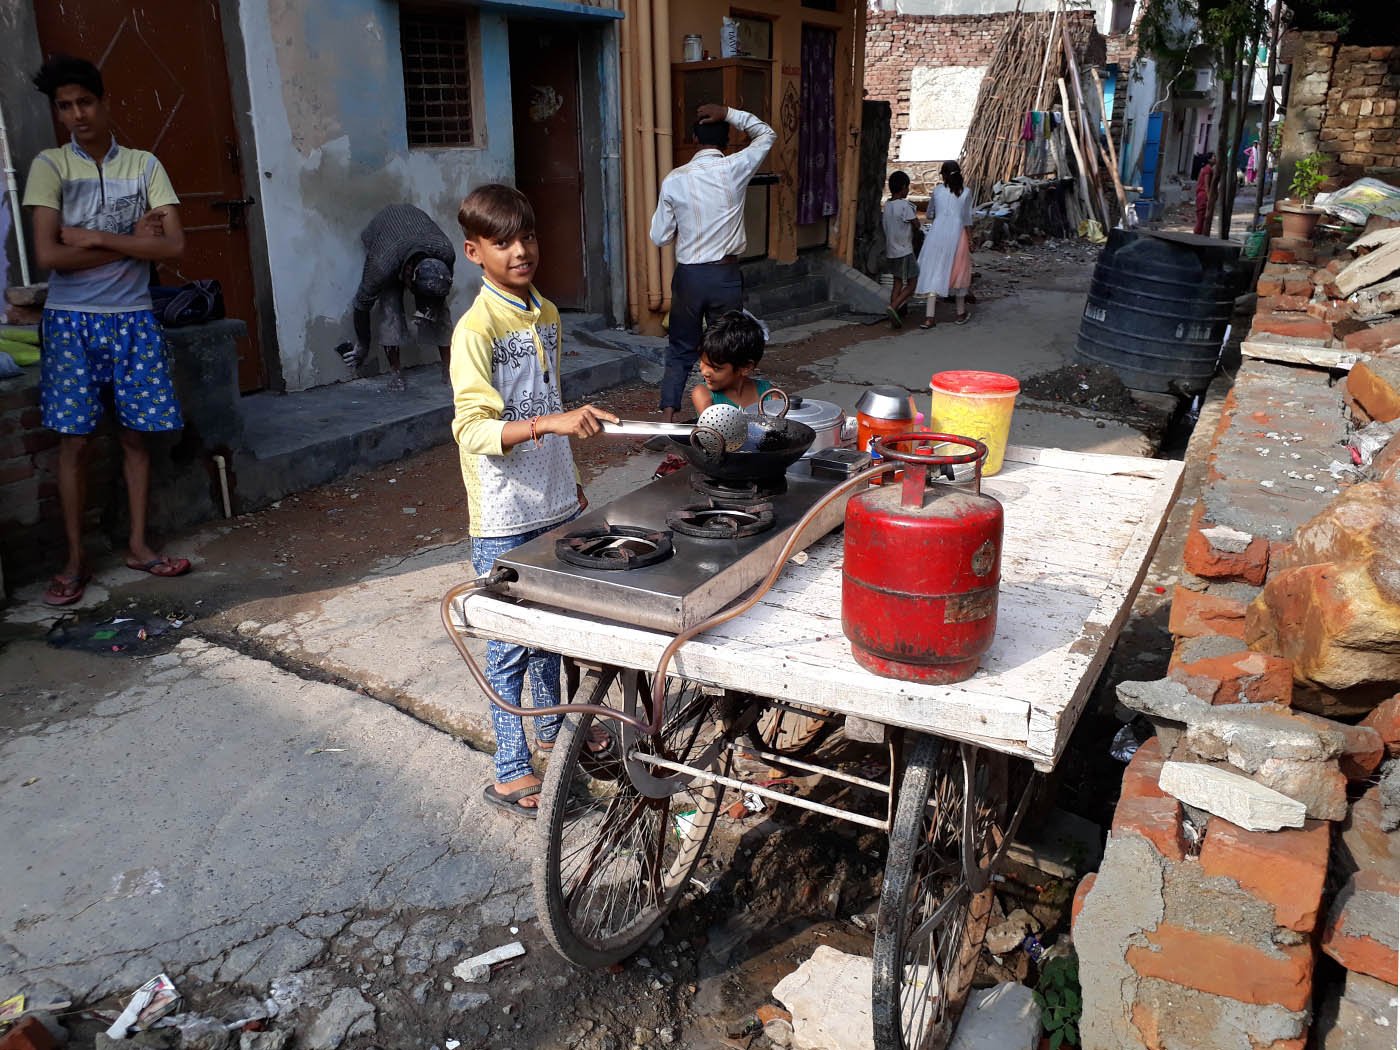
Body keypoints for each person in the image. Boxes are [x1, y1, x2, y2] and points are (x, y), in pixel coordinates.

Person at [450, 183, 619, 817]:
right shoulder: (476, 329)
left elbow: (547, 402)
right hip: (503, 513)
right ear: (475, 251)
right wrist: (552, 425)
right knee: (510, 642)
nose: (521, 251)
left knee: (551, 632)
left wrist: (568, 475)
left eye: (528, 237)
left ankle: (552, 733)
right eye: (503, 243)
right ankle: (510, 767)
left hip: (554, 500)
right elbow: (473, 430)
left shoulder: (545, 314)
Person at [24, 55, 191, 607]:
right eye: (65, 106)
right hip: (71, 323)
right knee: (73, 443)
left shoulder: (144, 166)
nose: (77, 115)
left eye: (85, 102)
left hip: (134, 319)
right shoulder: (50, 166)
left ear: (105, 101)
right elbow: (48, 254)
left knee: (135, 436)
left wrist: (92, 239)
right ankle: (75, 561)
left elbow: (171, 246)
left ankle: (139, 546)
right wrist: (129, 241)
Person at [650, 102, 775, 423]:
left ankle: (667, 418)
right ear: (728, 140)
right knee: (729, 346)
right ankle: (731, 415)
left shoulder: (675, 179)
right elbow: (766, 134)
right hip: (725, 275)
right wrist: (730, 113)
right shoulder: (736, 166)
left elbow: (660, 236)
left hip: (689, 277)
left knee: (680, 347)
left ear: (694, 139)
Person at [341, 203, 455, 391]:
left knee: (440, 311)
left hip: (417, 235)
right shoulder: (382, 265)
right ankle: (396, 374)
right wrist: (363, 344)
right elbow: (361, 305)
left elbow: (441, 291)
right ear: (409, 278)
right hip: (385, 235)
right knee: (390, 308)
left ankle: (449, 370)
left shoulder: (445, 252)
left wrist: (429, 309)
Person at [915, 160, 975, 329]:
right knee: (959, 272)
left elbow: (929, 214)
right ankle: (960, 313)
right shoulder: (966, 192)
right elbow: (967, 219)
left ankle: (929, 317)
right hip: (957, 234)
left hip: (936, 234)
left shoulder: (937, 191)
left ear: (943, 175)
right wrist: (970, 240)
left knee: (935, 269)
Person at [689, 310, 773, 414]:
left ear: (746, 367)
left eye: (716, 368)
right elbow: (713, 428)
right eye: (703, 362)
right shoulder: (704, 394)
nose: (705, 372)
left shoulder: (769, 395)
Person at [882, 171, 920, 328]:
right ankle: (894, 306)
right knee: (912, 283)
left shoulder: (887, 205)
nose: (908, 190)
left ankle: (894, 315)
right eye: (908, 187)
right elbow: (916, 225)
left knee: (897, 283)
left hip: (891, 251)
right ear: (903, 187)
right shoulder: (905, 206)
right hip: (904, 250)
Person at [1194, 152, 1216, 236]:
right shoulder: (1208, 169)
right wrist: (1209, 198)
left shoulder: (1205, 168)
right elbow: (1206, 186)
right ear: (1209, 159)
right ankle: (1197, 237)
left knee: (1201, 218)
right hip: (1203, 195)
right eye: (1214, 157)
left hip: (1201, 194)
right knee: (1201, 218)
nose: (1215, 158)